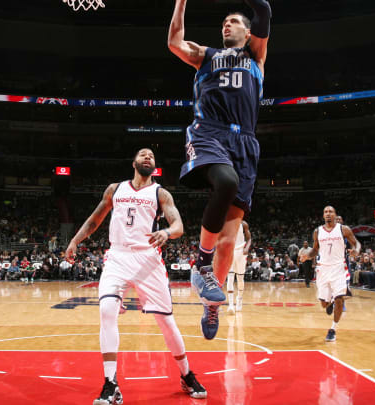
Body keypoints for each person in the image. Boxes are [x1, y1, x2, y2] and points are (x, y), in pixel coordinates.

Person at [65, 148, 207, 404]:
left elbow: (178, 225)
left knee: (166, 322)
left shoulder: (160, 193)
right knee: (107, 310)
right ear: (134, 163)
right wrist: (75, 241)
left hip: (148, 259)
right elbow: (95, 220)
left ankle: (186, 374)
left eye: (151, 156)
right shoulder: (115, 189)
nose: (147, 157)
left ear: (154, 167)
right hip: (118, 256)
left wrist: (167, 232)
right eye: (143, 154)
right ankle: (111, 383)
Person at [168, 0, 271, 340]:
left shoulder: (255, 57)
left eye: (233, 22)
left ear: (247, 30)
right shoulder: (206, 54)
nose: (226, 26)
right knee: (225, 180)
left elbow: (265, 11)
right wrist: (181, 2)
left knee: (228, 243)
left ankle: (211, 303)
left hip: (245, 144)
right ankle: (200, 265)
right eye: (224, 22)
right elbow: (174, 42)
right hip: (209, 132)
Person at [300, 206, 360, 342]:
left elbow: (356, 244)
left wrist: (356, 251)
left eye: (330, 212)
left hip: (339, 268)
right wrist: (307, 256)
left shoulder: (343, 229)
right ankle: (329, 302)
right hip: (323, 269)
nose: (328, 214)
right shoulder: (317, 231)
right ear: (323, 216)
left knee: (340, 299)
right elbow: (315, 250)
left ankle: (333, 329)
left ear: (335, 215)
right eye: (326, 212)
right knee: (323, 304)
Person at [227, 220, 251, 314]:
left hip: (241, 251)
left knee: (240, 278)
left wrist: (246, 248)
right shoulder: (226, 223)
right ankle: (231, 305)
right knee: (230, 277)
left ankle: (239, 298)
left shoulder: (244, 224)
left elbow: (249, 239)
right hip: (230, 251)